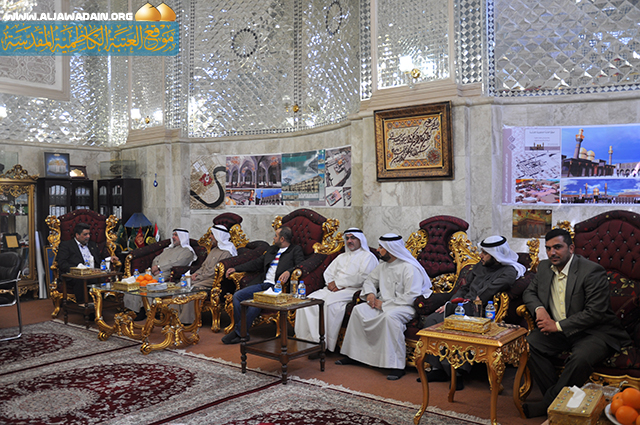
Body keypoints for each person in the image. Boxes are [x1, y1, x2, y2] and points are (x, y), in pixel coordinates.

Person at [521, 228, 632, 418]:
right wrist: (539, 309)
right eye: (548, 248)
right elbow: (529, 292)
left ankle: (549, 404)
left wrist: (556, 326)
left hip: (594, 331)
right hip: (560, 332)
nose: (552, 252)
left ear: (571, 248)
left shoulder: (591, 271)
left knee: (581, 357)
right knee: (529, 344)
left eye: (557, 247)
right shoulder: (544, 267)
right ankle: (560, 402)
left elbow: (595, 313)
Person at [420, 235, 526, 388]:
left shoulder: (509, 270)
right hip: (462, 304)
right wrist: (451, 303)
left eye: (485, 253)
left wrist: (478, 297)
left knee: (457, 327)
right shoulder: (479, 266)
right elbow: (464, 287)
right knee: (433, 320)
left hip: (480, 310)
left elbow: (497, 286)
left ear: (496, 255)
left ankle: (457, 373)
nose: (480, 255)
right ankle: (438, 369)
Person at [337, 233, 431, 380]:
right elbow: (369, 281)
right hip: (382, 303)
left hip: (405, 307)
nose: (378, 250)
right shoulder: (382, 267)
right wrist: (370, 294)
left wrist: (385, 304)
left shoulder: (409, 268)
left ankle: (396, 366)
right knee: (358, 310)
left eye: (381, 247)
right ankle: (355, 355)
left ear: (391, 249)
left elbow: (412, 296)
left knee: (390, 317)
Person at [294, 228, 378, 354]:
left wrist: (339, 284)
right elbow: (328, 272)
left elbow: (363, 278)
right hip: (332, 289)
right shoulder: (341, 256)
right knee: (307, 302)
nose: (349, 241)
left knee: (329, 304)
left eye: (353, 238)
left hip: (352, 290)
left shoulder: (368, 257)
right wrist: (331, 283)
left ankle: (324, 344)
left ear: (360, 240)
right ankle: (307, 341)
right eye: (347, 238)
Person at [222, 226, 304, 344]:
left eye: (276, 236)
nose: (273, 238)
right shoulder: (272, 249)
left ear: (282, 239)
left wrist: (289, 271)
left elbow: (301, 264)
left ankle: (239, 333)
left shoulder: (295, 250)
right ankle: (241, 332)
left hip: (277, 288)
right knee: (238, 296)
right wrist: (236, 268)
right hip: (263, 284)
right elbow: (256, 263)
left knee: (256, 304)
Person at [124, 228, 197, 318]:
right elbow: (156, 259)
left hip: (167, 273)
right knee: (134, 280)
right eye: (173, 235)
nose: (173, 237)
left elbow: (179, 263)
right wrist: (155, 268)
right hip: (154, 272)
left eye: (176, 235)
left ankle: (148, 311)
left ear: (183, 237)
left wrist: (159, 268)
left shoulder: (187, 251)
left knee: (150, 284)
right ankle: (133, 309)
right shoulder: (168, 249)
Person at [177, 224, 237, 323]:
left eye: (212, 234)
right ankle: (174, 316)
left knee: (191, 289)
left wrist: (200, 277)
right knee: (180, 285)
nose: (209, 237)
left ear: (218, 235)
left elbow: (215, 272)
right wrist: (195, 274)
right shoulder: (214, 250)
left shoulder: (227, 252)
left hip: (213, 280)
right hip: (203, 277)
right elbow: (203, 266)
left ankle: (186, 321)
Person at [57, 222, 119, 304]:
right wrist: (77, 269)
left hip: (93, 273)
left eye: (89, 234)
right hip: (75, 275)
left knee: (101, 278)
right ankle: (84, 306)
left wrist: (109, 259)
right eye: (85, 234)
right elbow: (61, 263)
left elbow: (99, 260)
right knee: (82, 281)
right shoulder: (66, 245)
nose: (88, 237)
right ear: (77, 235)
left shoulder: (92, 244)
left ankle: (99, 304)